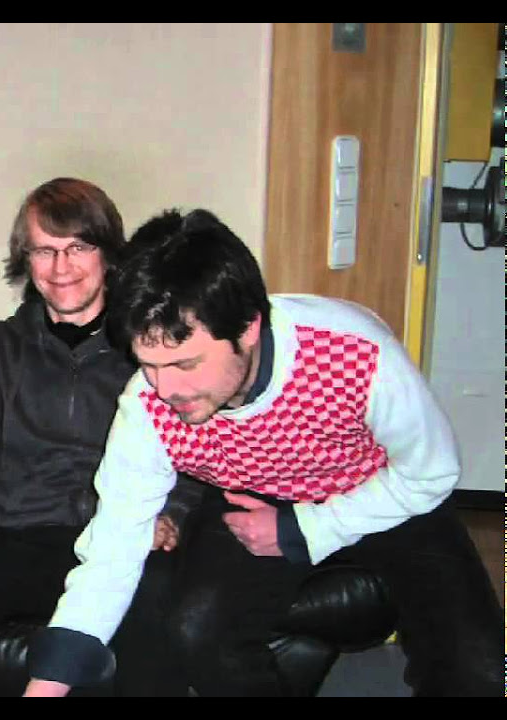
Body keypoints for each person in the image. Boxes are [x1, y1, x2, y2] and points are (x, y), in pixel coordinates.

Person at [25, 208, 502, 696]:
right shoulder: (146, 404)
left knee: (478, 671)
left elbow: (432, 473)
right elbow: (112, 551)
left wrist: (303, 529)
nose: (166, 389)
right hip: (251, 495)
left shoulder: (356, 351)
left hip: (386, 491)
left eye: (186, 364)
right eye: (149, 364)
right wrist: (46, 688)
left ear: (248, 327)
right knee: (198, 631)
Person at [0, 178, 194, 696]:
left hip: (110, 536)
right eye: (44, 250)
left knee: (157, 583)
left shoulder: (147, 346)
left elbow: (195, 441)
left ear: (108, 255)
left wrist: (173, 516)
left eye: (78, 247)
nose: (61, 267)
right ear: (25, 259)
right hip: (13, 534)